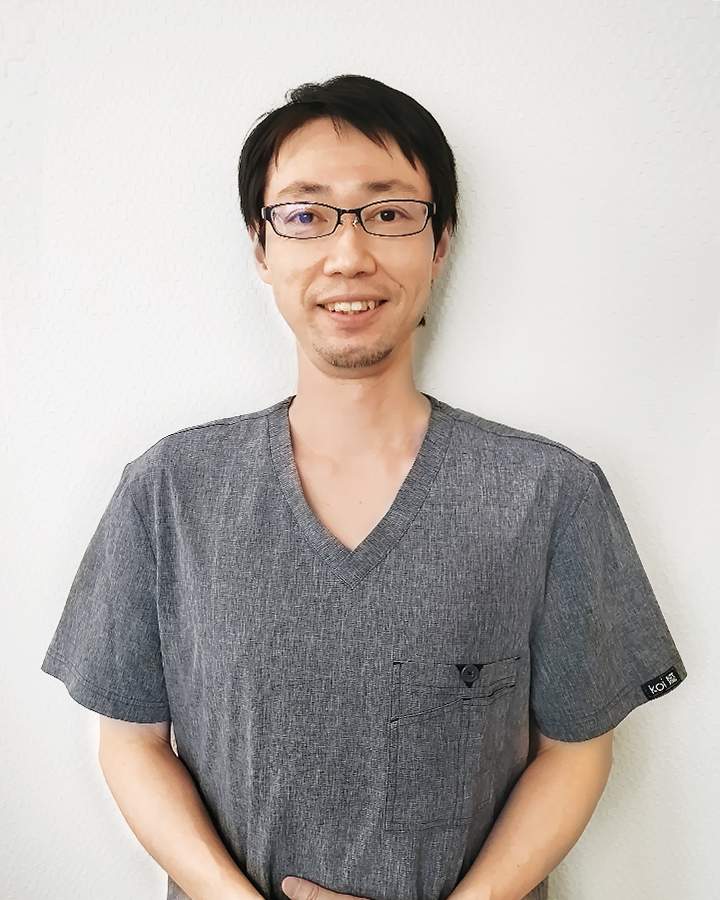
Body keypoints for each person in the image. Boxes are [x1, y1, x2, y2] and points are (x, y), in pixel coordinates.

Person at [42, 75, 686, 900]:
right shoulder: (169, 491)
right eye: (306, 216)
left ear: (440, 242)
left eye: (388, 214)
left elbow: (576, 748)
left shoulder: (547, 494)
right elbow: (130, 741)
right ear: (261, 248)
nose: (349, 255)